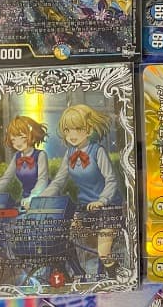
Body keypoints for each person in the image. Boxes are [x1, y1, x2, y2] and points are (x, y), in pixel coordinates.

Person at [41, 104, 120, 277]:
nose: (72, 135)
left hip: (107, 208)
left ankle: (117, 277)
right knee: (61, 239)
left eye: (77, 129)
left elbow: (111, 179)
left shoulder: (98, 151)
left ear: (89, 129)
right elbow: (58, 181)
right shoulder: (69, 154)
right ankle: (79, 274)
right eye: (67, 130)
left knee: (104, 253)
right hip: (84, 208)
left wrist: (102, 200)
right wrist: (40, 199)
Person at [0, 115, 49, 207]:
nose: (18, 143)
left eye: (21, 137)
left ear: (32, 136)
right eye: (13, 140)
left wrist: (33, 197)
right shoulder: (17, 156)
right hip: (25, 199)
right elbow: (6, 178)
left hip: (43, 198)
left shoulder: (40, 155)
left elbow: (43, 180)